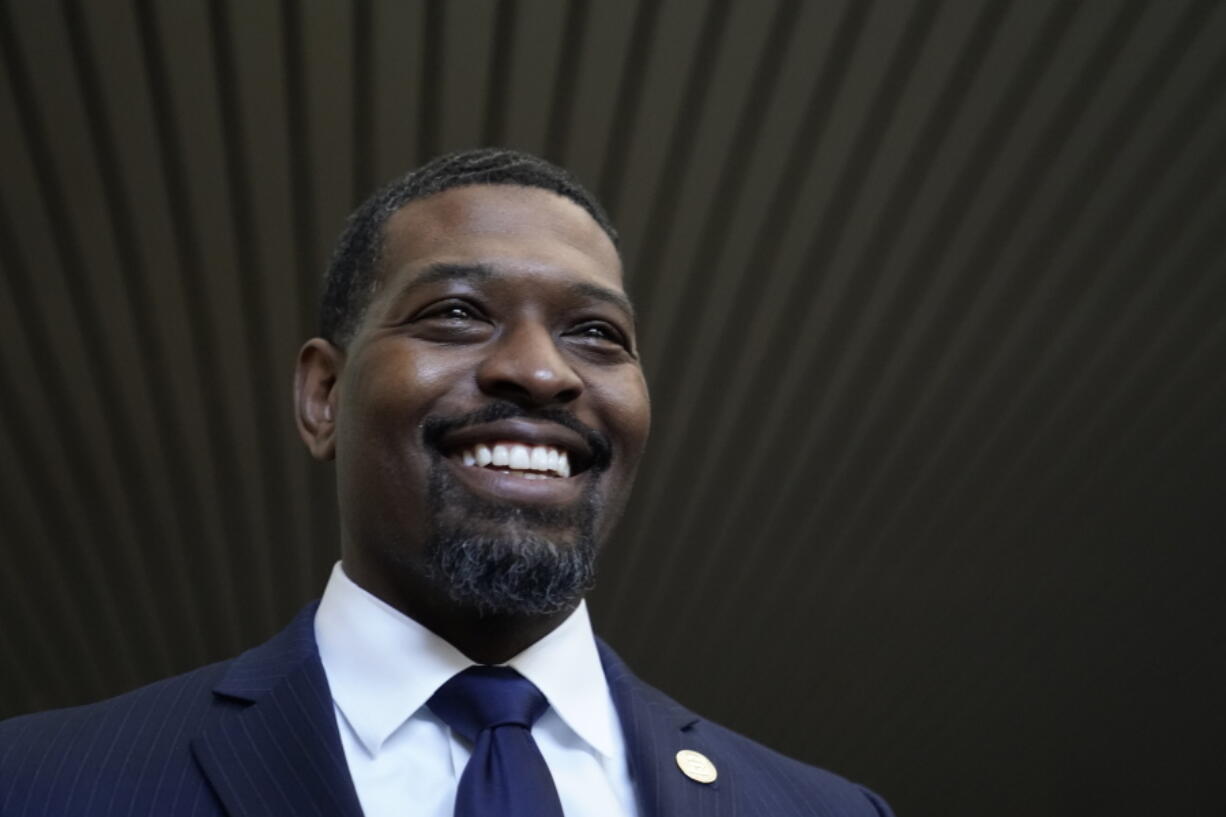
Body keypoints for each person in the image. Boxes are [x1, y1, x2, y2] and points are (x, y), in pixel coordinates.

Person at [0, 149, 893, 816]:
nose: (542, 373)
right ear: (322, 396)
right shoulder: (41, 783)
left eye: (597, 332)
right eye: (458, 313)